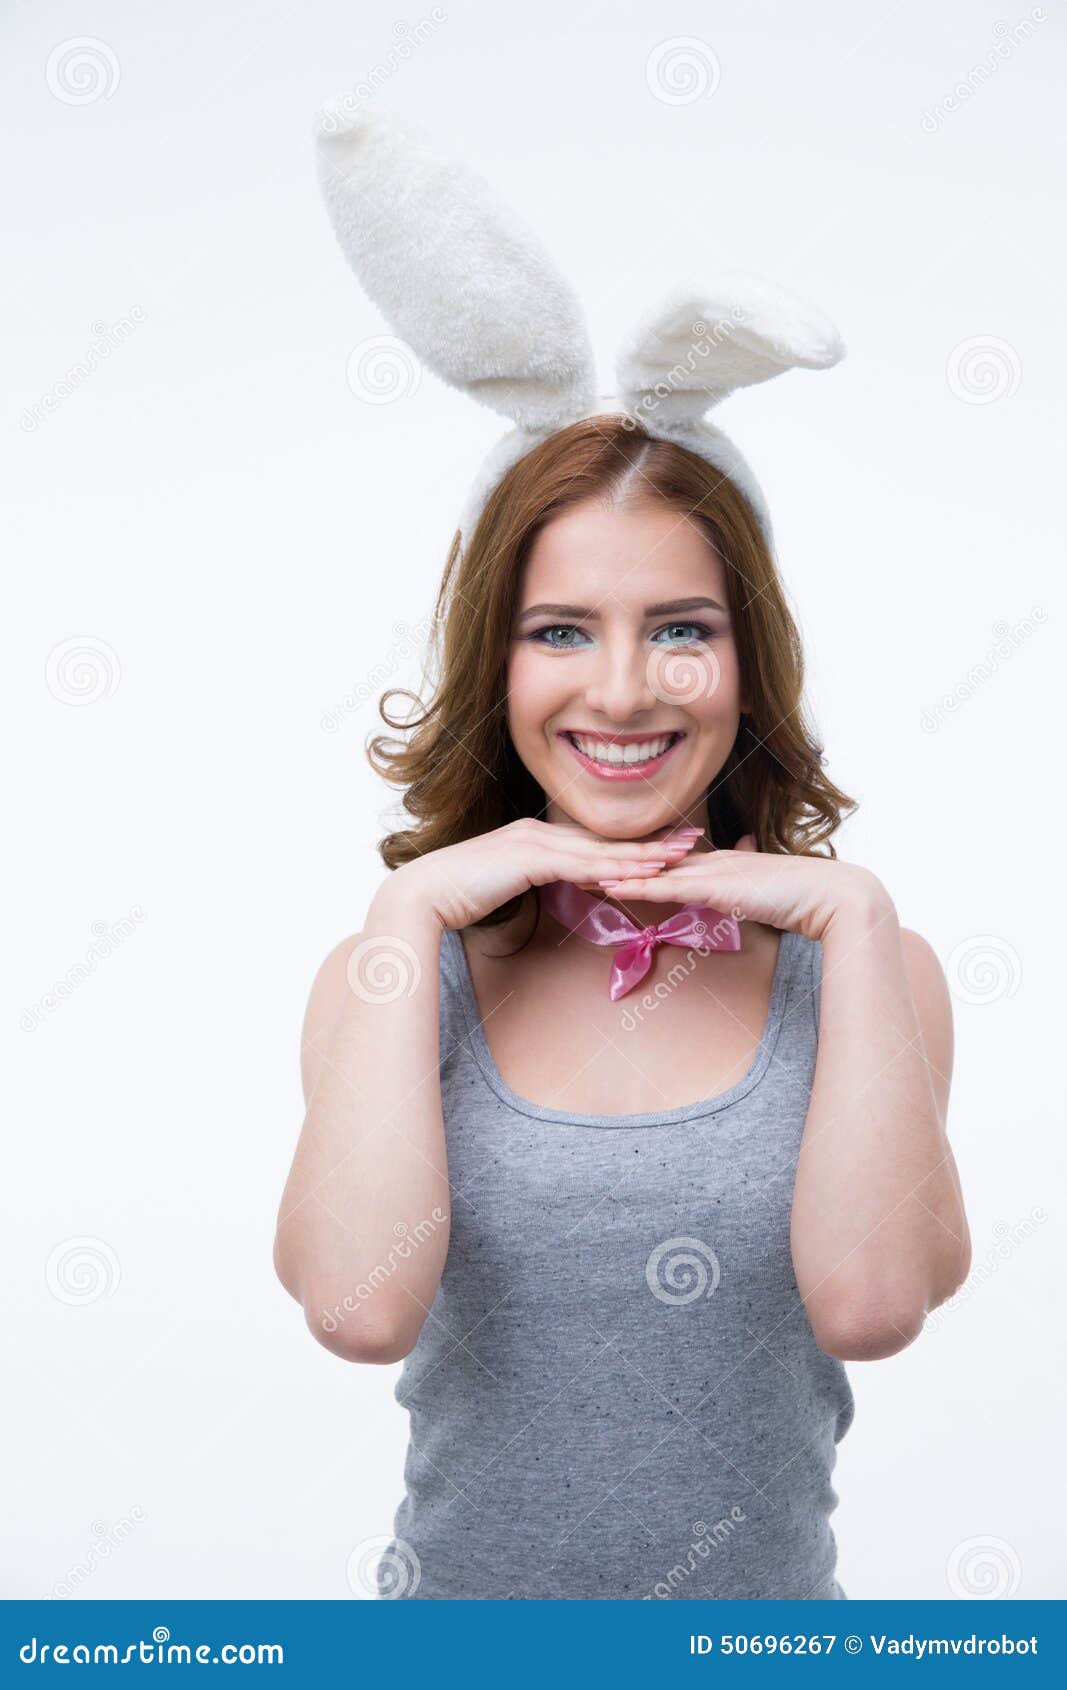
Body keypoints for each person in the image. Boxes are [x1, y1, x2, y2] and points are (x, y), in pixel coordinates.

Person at [273, 412, 971, 1600]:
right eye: (558, 630)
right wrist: (404, 919)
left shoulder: (871, 970)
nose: (622, 688)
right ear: (496, 662)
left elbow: (869, 1304)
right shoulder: (390, 977)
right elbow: (357, 1309)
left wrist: (853, 918)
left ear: (747, 663)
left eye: (681, 631)